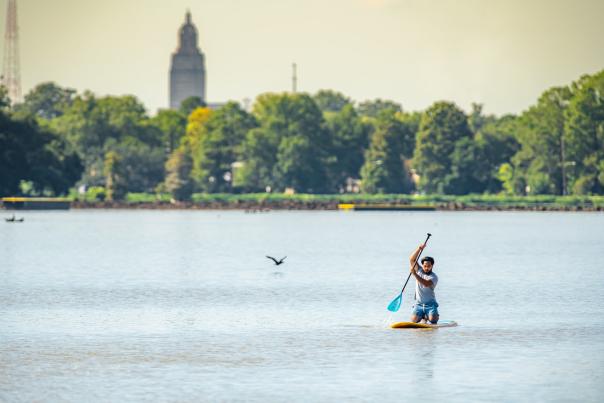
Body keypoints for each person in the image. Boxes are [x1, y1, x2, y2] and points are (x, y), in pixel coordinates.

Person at [409, 244, 439, 324]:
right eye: (425, 266)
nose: (426, 268)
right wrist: (419, 249)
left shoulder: (434, 277)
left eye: (428, 266)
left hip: (430, 305)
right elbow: (412, 260)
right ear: (422, 265)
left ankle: (429, 316)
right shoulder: (419, 270)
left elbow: (426, 283)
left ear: (432, 265)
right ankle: (423, 316)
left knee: (433, 320)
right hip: (419, 304)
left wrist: (415, 274)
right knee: (413, 321)